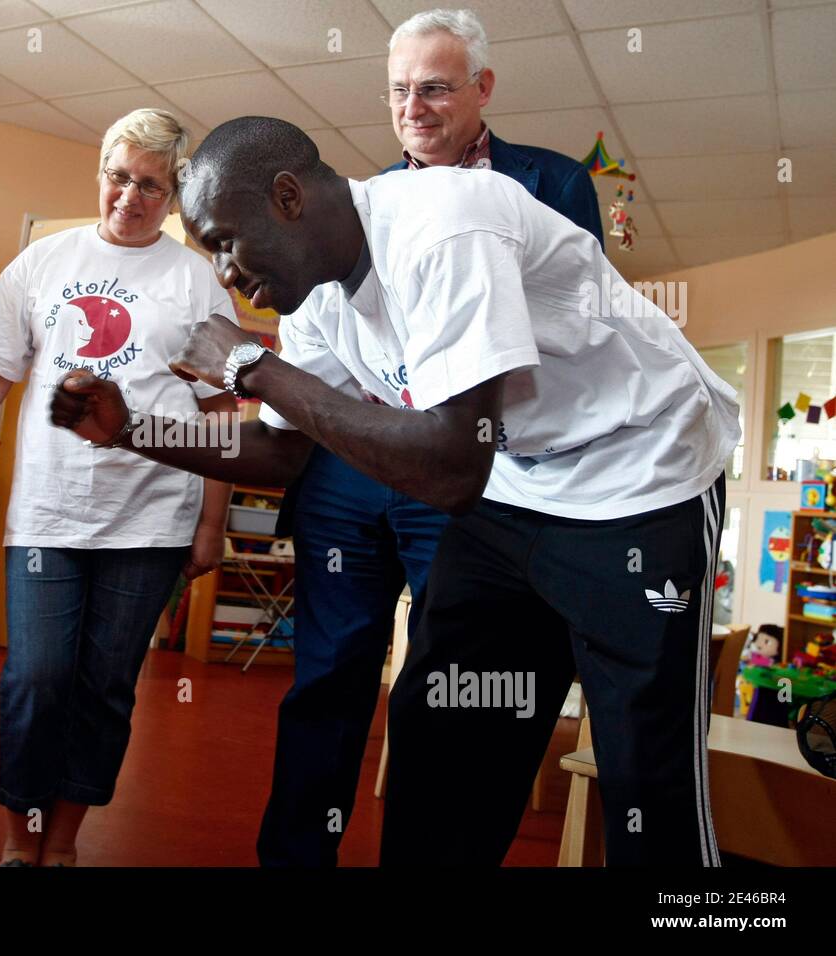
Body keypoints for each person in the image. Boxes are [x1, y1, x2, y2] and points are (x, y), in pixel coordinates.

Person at [50, 116, 741, 866]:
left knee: (645, 771)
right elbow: (284, 451)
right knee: (444, 725)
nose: (224, 274)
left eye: (223, 241)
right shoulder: (315, 298)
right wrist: (131, 432)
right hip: (514, 487)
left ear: (287, 197)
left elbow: (451, 465)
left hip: (640, 479)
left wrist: (251, 367)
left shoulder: (444, 226)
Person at [258, 6, 608, 867]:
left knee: (442, 684)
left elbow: (573, 330)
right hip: (348, 474)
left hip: (462, 472)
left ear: (483, 89)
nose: (414, 106)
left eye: (436, 88)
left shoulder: (553, 183)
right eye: (399, 90)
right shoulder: (359, 205)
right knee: (328, 677)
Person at [0, 108, 238, 867]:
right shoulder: (43, 263)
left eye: (152, 185)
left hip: (153, 519)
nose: (130, 196)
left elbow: (222, 409)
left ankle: (62, 844)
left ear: (176, 195)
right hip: (48, 515)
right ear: (101, 172)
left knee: (106, 686)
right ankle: (17, 840)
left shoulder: (197, 282)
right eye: (119, 176)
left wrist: (210, 524)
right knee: (36, 677)